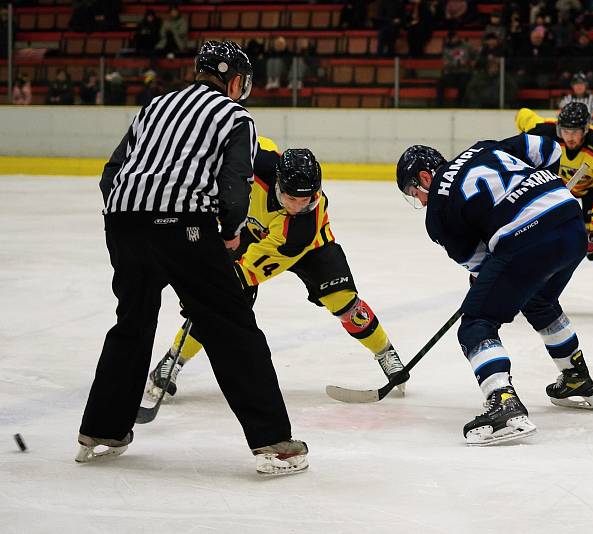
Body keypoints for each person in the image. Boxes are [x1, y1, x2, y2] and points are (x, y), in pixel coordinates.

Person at [77, 40, 309, 477]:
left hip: (123, 222)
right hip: (184, 225)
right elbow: (235, 187)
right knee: (231, 325)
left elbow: (112, 174)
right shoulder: (235, 116)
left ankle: (101, 431)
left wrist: (132, 221)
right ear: (236, 80)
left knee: (132, 321)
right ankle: (274, 442)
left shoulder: (155, 105)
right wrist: (227, 235)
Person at [146, 140, 409, 401]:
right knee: (219, 303)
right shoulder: (252, 162)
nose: (297, 206)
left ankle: (386, 353)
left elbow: (253, 268)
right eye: (291, 198)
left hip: (310, 247)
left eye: (306, 199)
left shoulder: (303, 225)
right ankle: (173, 360)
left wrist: (213, 284)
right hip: (250, 233)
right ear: (278, 184)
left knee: (344, 303)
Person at [395, 134, 593, 446]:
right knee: (538, 300)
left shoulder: (437, 211)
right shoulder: (484, 147)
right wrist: (542, 190)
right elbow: (550, 149)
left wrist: (485, 275)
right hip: (571, 224)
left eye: (415, 192)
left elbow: (479, 263)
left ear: (425, 177)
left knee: (476, 323)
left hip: (526, 241)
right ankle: (576, 377)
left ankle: (503, 404)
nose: (421, 200)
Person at [515, 102, 593, 313]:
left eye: (575, 132)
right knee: (541, 234)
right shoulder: (544, 132)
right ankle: (534, 285)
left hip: (589, 190)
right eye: (565, 131)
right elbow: (524, 115)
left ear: (586, 130)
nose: (569, 137)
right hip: (558, 189)